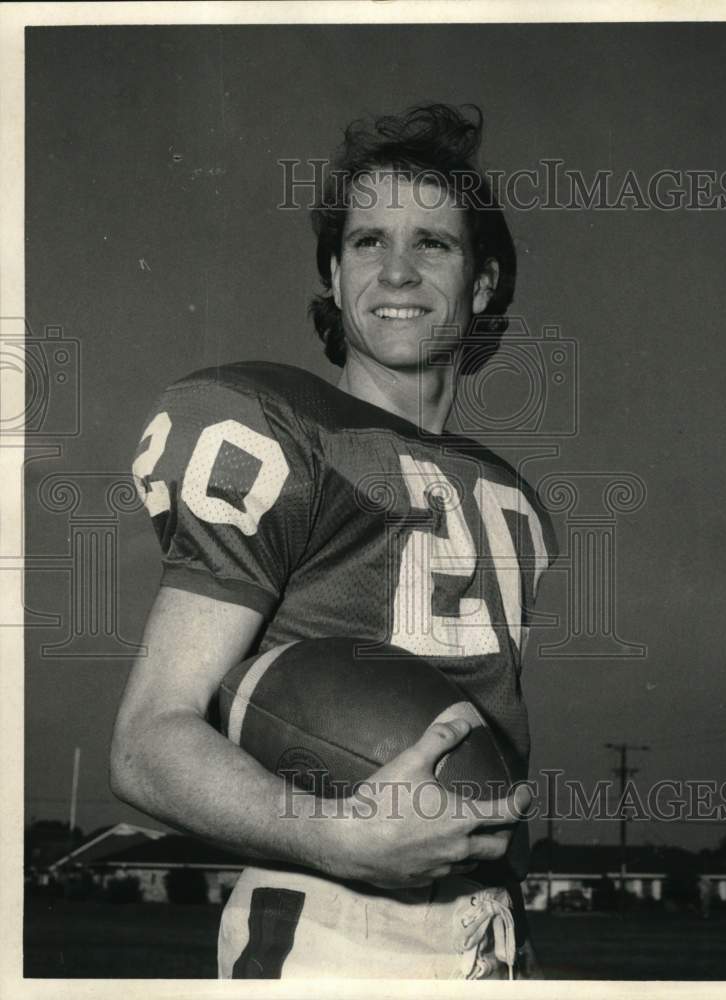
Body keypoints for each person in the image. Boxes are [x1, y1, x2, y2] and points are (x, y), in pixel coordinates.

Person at [112, 103, 556, 979]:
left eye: (432, 242)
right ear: (331, 269)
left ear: (483, 281)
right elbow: (144, 742)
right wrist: (338, 837)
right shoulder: (279, 431)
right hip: (332, 925)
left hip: (487, 927)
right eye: (365, 242)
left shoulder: (514, 497)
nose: (396, 269)